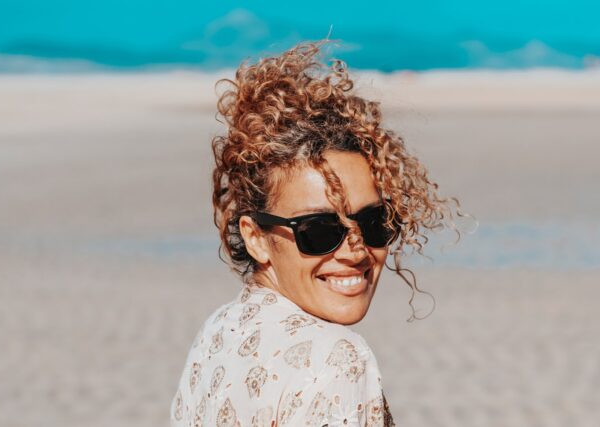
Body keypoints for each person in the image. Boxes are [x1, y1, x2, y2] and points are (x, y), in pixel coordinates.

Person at [171, 41, 459, 427]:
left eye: (375, 222)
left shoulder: (220, 331)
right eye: (319, 231)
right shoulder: (338, 359)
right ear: (255, 237)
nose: (356, 249)